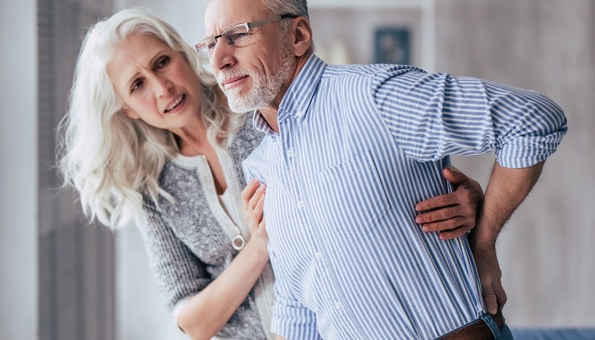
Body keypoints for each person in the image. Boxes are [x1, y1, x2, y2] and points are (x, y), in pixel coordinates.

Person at [57, 8, 485, 340]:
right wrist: (261, 244)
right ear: (126, 109)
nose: (162, 87)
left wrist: (467, 201)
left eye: (162, 62)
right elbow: (193, 324)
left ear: (184, 53)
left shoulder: (259, 106)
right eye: (137, 84)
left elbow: (370, 177)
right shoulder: (153, 191)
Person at [198, 0, 568, 339]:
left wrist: (484, 243)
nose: (219, 60)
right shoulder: (262, 164)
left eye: (238, 35)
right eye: (211, 44)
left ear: (298, 36)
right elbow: (298, 300)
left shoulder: (376, 97)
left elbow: (532, 121)